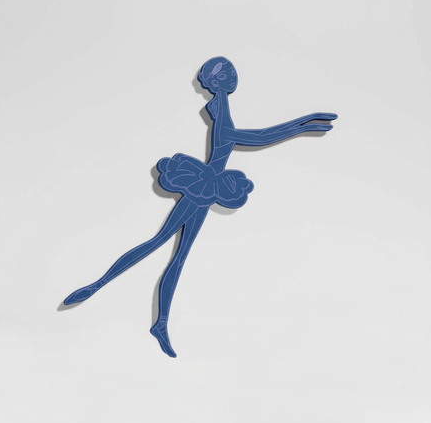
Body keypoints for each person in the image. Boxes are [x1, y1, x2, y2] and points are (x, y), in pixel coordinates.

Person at [64, 56, 338, 357]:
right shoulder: (224, 121)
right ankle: (100, 287)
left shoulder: (223, 111)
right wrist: (302, 124)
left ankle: (154, 320)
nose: (232, 81)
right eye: (228, 77)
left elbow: (260, 136)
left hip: (206, 191)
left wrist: (303, 124)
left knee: (174, 253)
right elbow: (260, 137)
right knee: (161, 245)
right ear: (222, 81)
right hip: (201, 189)